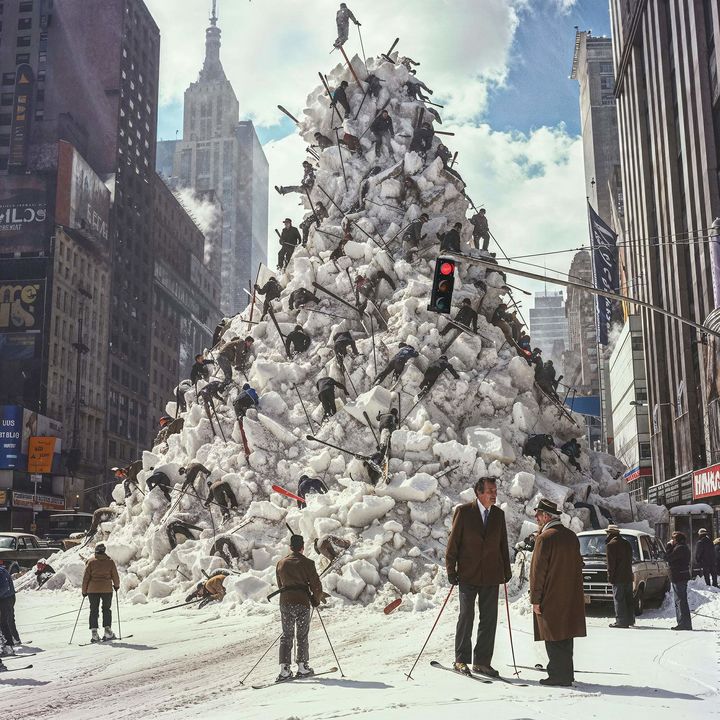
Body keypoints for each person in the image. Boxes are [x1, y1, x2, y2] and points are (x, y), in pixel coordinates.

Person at [445, 477, 511, 677]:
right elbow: (453, 543)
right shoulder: (464, 512)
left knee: (489, 618)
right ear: (479, 493)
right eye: (490, 490)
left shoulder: (498, 515)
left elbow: (503, 545)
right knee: (467, 616)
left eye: (495, 490)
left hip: (491, 575)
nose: (494, 494)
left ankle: (482, 662)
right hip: (468, 574)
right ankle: (461, 660)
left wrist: (506, 571)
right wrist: (451, 570)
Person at [530, 498, 586, 686]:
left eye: (538, 514)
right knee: (566, 635)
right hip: (569, 595)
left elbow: (538, 573)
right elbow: (579, 564)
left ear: (546, 516)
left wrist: (535, 599)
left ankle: (557, 675)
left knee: (552, 635)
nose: (536, 518)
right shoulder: (571, 536)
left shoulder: (544, 538)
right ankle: (566, 673)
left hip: (551, 596)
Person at [275, 534, 325, 680]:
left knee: (286, 635)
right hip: (302, 602)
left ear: (290, 547)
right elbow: (316, 586)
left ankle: (284, 670)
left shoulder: (281, 563)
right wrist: (316, 600)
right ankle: (302, 667)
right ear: (302, 547)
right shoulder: (308, 563)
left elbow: (280, 584)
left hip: (285, 603)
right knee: (302, 635)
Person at [82, 543, 120, 643]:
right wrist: (116, 585)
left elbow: (86, 578)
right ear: (104, 550)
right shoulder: (110, 562)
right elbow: (115, 575)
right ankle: (108, 631)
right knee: (106, 609)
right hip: (106, 589)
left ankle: (94, 633)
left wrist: (84, 591)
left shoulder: (90, 562)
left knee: (93, 610)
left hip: (92, 590)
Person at [605, 525, 635, 628]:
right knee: (628, 598)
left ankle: (621, 621)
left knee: (619, 599)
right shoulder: (627, 543)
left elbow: (611, 565)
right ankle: (630, 620)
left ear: (610, 534)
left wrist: (610, 577)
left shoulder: (611, 545)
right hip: (628, 575)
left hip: (618, 577)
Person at [665, 531, 692, 630]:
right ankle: (682, 622)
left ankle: (684, 623)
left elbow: (668, 557)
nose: (672, 540)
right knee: (679, 600)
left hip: (679, 576)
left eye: (673, 538)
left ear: (677, 539)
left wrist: (668, 546)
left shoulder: (680, 548)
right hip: (679, 576)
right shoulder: (681, 547)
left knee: (680, 600)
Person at [0, 560, 19, 653]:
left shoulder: (1, 572)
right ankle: (9, 641)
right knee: (5, 621)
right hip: (6, 598)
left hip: (6, 599)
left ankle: (9, 644)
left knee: (5, 621)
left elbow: (5, 587)